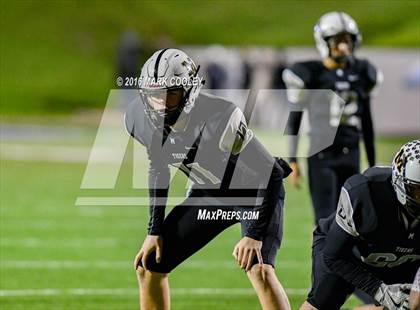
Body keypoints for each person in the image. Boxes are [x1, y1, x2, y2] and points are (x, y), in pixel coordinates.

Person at [125, 48, 292, 310]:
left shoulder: (220, 117)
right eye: (155, 96)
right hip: (209, 194)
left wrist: (255, 235)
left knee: (259, 269)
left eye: (171, 95)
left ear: (189, 91)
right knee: (150, 265)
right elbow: (158, 168)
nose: (161, 104)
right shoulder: (139, 120)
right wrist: (153, 231)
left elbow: (271, 173)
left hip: (254, 194)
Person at [283, 11, 382, 222]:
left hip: (351, 153)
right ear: (324, 42)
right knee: (325, 219)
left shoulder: (363, 72)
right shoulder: (310, 73)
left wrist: (372, 164)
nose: (344, 46)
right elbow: (295, 117)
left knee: (350, 219)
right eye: (338, 41)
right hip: (321, 155)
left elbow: (367, 122)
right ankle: (321, 255)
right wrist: (292, 159)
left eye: (347, 40)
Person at [299, 140, 420, 310]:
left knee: (413, 305)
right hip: (349, 255)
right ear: (400, 183)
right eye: (419, 191)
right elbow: (333, 256)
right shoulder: (364, 193)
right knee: (319, 306)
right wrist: (380, 291)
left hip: (403, 259)